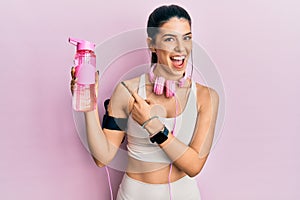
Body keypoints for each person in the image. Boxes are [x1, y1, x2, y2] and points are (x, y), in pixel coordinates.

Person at [71, 4, 219, 200]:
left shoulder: (206, 97)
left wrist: (154, 126)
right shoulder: (127, 91)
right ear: (152, 44)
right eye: (169, 39)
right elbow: (102, 157)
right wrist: (89, 103)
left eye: (187, 38)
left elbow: (194, 166)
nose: (181, 48)